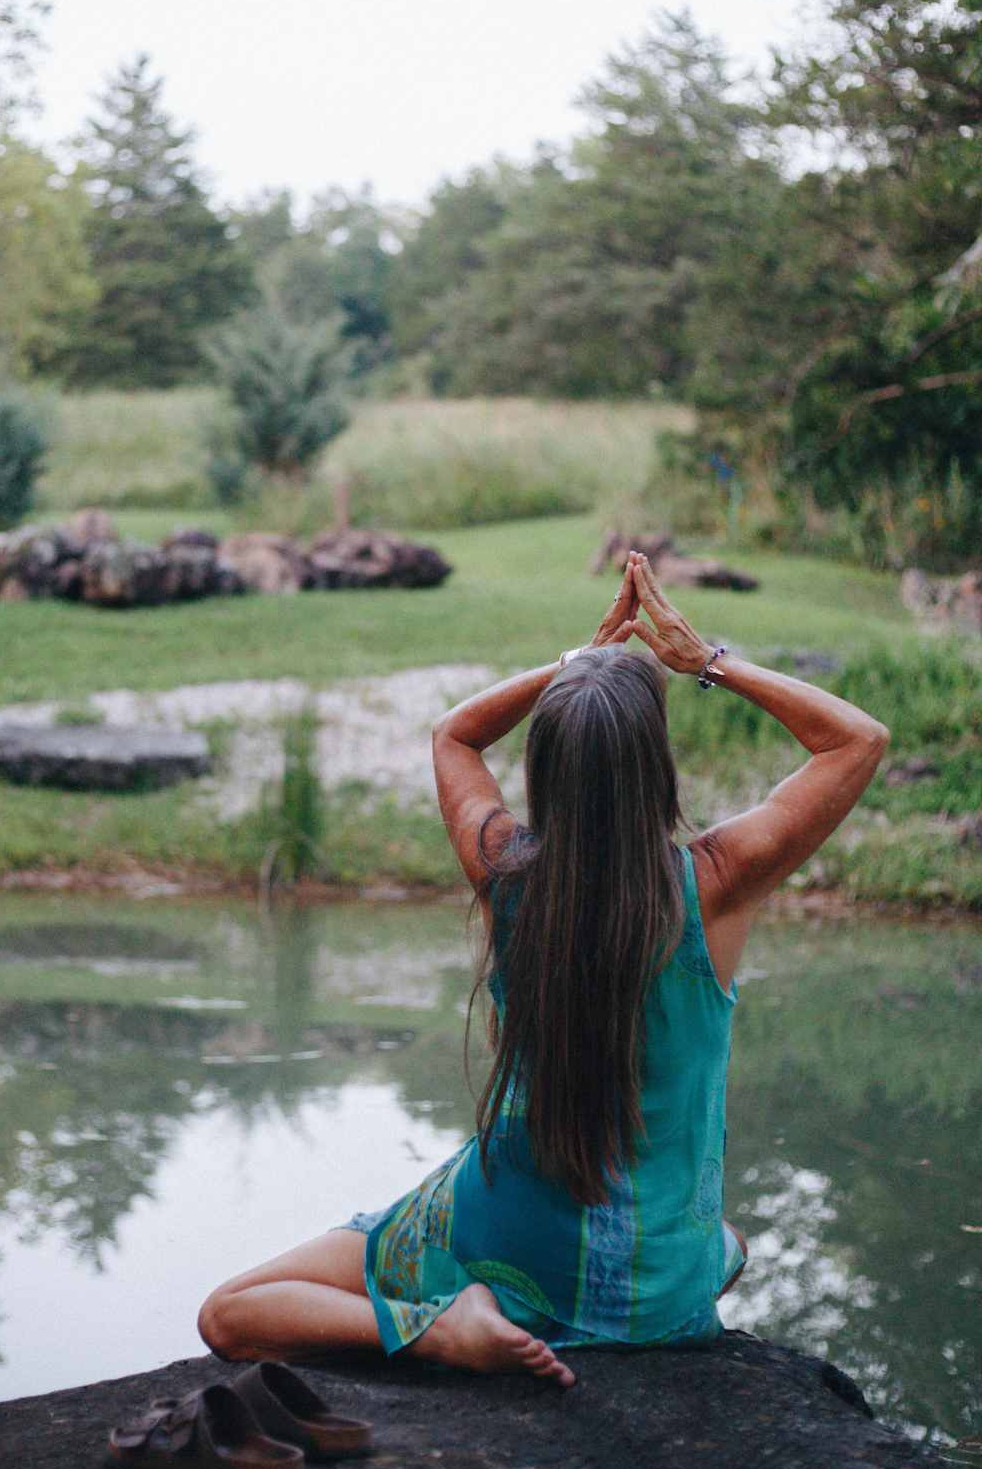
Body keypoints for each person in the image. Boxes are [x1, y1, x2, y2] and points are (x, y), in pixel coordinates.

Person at [197, 552, 889, 1382]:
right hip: (658, 1297)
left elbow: (454, 733)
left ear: (546, 770)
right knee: (727, 1244)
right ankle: (665, 1269)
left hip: (505, 1246)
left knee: (231, 1310)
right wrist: (704, 659)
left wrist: (571, 667)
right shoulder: (717, 882)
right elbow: (857, 739)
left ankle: (443, 1327)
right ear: (655, 770)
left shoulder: (502, 870)